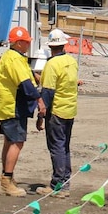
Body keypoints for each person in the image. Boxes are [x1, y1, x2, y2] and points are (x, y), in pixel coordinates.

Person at [0, 26, 47, 197]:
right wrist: (39, 99)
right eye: (27, 42)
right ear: (19, 43)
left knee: (9, 141)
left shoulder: (11, 56)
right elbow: (25, 85)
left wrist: (35, 77)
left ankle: (7, 177)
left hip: (7, 105)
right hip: (12, 106)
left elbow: (26, 77)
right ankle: (6, 181)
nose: (28, 44)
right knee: (17, 142)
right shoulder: (14, 58)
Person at [35, 29, 79, 198]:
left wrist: (40, 116)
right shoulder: (71, 61)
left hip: (57, 112)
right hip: (70, 109)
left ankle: (58, 185)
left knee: (57, 147)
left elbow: (47, 93)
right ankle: (65, 183)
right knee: (64, 147)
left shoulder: (52, 65)